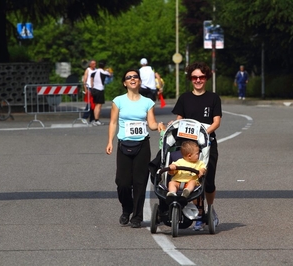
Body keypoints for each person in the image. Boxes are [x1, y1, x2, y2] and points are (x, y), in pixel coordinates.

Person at [106, 69, 164, 228]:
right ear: (124, 83)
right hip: (124, 144)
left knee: (140, 182)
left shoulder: (147, 102)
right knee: (122, 182)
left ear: (139, 81)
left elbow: (151, 123)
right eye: (128, 77)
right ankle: (127, 207)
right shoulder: (118, 101)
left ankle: (137, 216)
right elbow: (113, 122)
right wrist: (110, 141)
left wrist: (157, 126)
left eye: (135, 77)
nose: (132, 79)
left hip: (142, 145)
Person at [170, 61, 222, 228]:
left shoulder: (213, 98)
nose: (198, 80)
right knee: (187, 176)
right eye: (194, 77)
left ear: (206, 78)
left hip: (207, 144)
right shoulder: (184, 98)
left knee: (208, 181)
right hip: (187, 146)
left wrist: (203, 134)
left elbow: (216, 122)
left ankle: (208, 208)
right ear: (190, 78)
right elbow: (179, 119)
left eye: (201, 77)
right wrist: (173, 125)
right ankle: (191, 210)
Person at [90, 60, 112, 126]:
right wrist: (108, 70)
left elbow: (91, 79)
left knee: (96, 105)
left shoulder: (94, 72)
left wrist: (92, 87)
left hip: (94, 89)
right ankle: (96, 120)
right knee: (99, 106)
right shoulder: (104, 72)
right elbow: (110, 75)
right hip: (100, 89)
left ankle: (94, 119)